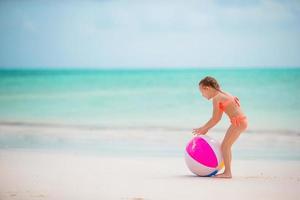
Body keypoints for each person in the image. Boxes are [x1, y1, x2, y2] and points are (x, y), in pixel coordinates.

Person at [192, 76, 248, 178]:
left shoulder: (217, 98)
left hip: (238, 123)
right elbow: (217, 118)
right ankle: (228, 171)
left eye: (202, 92)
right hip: (242, 121)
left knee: (225, 147)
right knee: (226, 146)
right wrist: (206, 128)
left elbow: (216, 119)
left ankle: (228, 173)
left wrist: (204, 128)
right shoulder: (223, 93)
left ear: (207, 88)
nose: (202, 95)